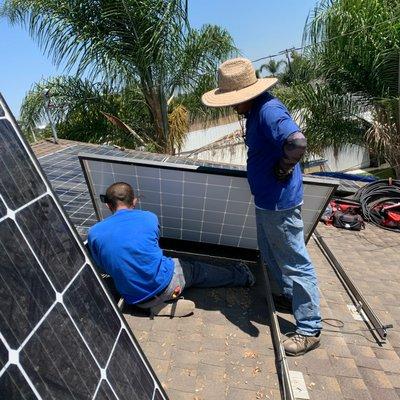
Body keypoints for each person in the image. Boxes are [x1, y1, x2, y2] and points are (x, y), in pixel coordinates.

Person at [201, 57, 322, 356]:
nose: (232, 106)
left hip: (280, 204)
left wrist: (282, 168)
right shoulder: (256, 111)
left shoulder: (268, 111)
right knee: (270, 252)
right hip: (268, 201)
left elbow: (297, 142)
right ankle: (288, 296)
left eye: (233, 100)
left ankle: (309, 328)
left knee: (294, 260)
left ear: (248, 94)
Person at [87, 182, 255, 317]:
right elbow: (151, 243)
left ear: (109, 206)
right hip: (164, 286)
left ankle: (152, 307)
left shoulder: (94, 233)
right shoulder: (148, 218)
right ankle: (243, 276)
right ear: (135, 201)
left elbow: (103, 265)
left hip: (133, 298)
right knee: (194, 269)